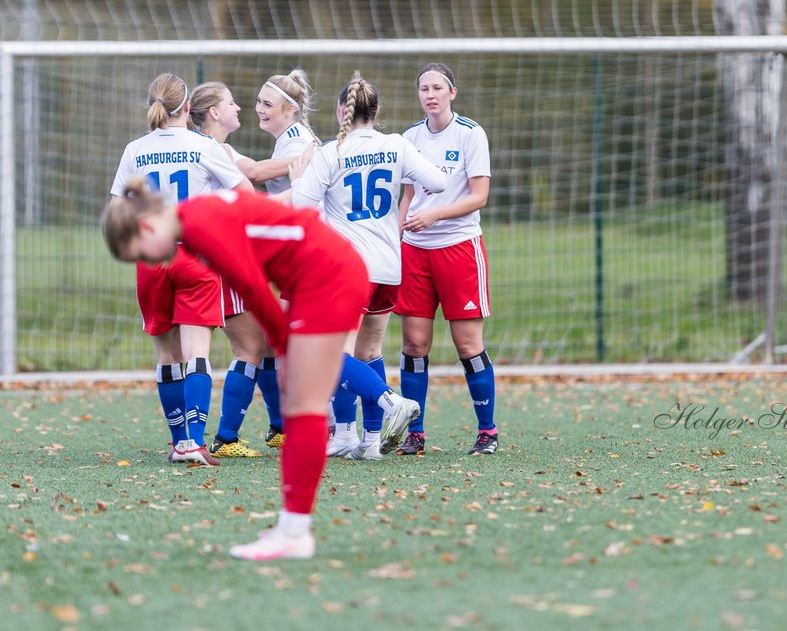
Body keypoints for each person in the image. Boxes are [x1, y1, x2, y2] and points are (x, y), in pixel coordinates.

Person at [102, 181, 407, 560]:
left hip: (328, 276)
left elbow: (252, 287)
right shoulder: (194, 218)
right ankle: (292, 528)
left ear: (146, 228)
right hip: (319, 273)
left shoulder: (198, 227)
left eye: (141, 256)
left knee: (304, 407)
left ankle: (295, 532)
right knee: (300, 405)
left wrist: (282, 347)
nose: (149, 264)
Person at [291, 72, 448, 459]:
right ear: (376, 111)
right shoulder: (395, 144)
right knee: (370, 351)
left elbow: (301, 209)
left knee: (331, 355)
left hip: (347, 270)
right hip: (389, 268)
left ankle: (390, 402)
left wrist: (298, 177)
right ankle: (365, 441)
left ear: (343, 110)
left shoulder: (331, 153)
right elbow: (439, 183)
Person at [109, 74, 252, 467]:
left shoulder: (135, 149)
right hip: (196, 257)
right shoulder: (204, 146)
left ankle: (178, 443)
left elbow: (119, 210)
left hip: (152, 260)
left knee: (166, 355)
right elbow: (246, 194)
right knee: (197, 353)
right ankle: (193, 440)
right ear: (188, 108)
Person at [394, 63, 498, 456]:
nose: (430, 94)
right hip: (416, 252)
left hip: (458, 247)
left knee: (467, 344)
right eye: (424, 88)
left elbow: (478, 196)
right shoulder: (409, 137)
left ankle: (487, 430)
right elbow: (407, 198)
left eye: (438, 87)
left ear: (452, 92)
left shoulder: (471, 134)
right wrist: (398, 232)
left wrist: (435, 213)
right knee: (415, 343)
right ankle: (415, 433)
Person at [187, 82, 284, 457]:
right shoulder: (209, 149)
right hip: (220, 260)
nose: (239, 107)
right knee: (250, 346)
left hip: (228, 258)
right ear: (213, 112)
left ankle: (278, 429)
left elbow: (257, 169)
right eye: (231, 101)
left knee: (268, 343)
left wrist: (310, 158)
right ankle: (226, 438)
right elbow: (251, 189)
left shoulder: (219, 148)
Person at [252, 69, 318, 195]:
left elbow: (302, 193)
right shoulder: (288, 135)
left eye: (267, 104)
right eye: (258, 101)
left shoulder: (295, 142)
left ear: (290, 109)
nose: (259, 109)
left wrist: (263, 206)